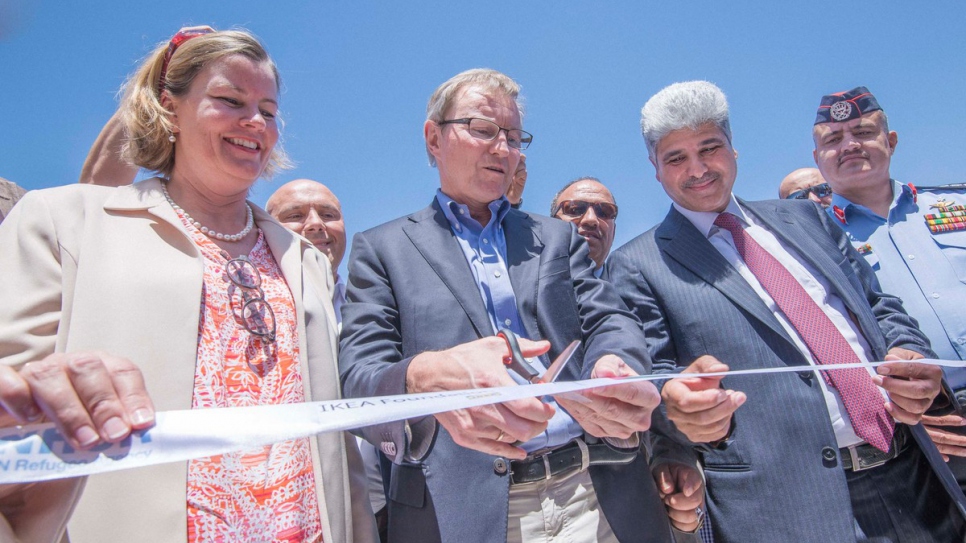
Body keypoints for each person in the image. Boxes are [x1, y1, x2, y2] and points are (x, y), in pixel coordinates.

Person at [0, 26, 376, 543]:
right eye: (230, 99)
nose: (255, 122)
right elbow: (13, 399)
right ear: (168, 108)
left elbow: (335, 440)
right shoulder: (62, 222)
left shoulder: (305, 260)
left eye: (268, 110)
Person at [339, 68, 694, 543]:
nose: (502, 149)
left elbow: (610, 318)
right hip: (462, 512)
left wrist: (615, 363)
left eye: (513, 136)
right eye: (483, 130)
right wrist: (425, 375)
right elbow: (359, 378)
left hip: (600, 497)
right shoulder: (382, 249)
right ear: (433, 138)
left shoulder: (556, 237)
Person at [607, 80, 964, 542]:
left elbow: (878, 304)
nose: (697, 169)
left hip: (913, 477)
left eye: (710, 148)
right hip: (783, 507)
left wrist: (907, 350)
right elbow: (654, 378)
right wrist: (677, 408)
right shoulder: (638, 264)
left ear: (734, 151)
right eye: (676, 158)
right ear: (656, 170)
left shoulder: (808, 219)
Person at [813, 85, 966, 484]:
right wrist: (908, 428)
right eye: (833, 140)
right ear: (818, 158)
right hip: (930, 425)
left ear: (890, 140)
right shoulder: (811, 246)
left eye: (863, 132)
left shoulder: (955, 205)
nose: (849, 145)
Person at [266, 178, 348, 324]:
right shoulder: (251, 308)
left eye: (328, 215)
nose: (316, 223)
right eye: (295, 216)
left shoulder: (370, 304)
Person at [550, 177, 618, 272]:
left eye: (603, 212)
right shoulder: (524, 283)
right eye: (575, 210)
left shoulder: (632, 285)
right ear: (551, 225)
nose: (591, 219)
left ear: (613, 232)